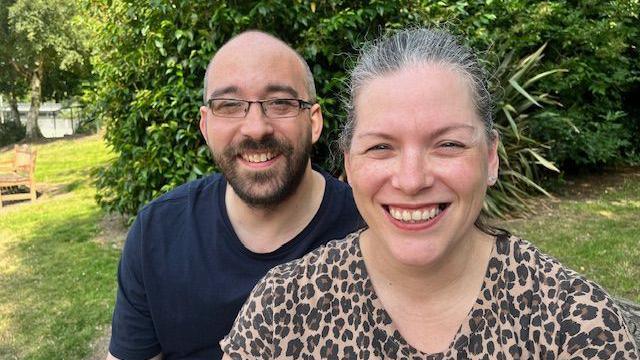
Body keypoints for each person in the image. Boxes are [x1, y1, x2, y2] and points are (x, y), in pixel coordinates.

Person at [221, 28, 639, 359]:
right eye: (381, 147)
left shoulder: (575, 324)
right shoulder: (280, 311)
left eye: (448, 144)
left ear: (491, 157)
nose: (411, 179)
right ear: (349, 164)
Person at [107, 30, 363, 360]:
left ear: (314, 122)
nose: (256, 128)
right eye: (229, 105)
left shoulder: (367, 229)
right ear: (205, 126)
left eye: (280, 103)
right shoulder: (157, 233)